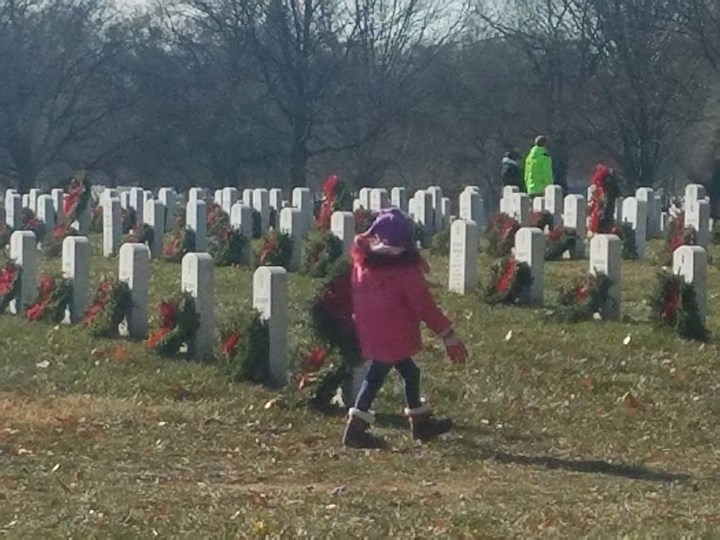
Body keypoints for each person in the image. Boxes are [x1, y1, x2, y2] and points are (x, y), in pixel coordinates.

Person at [343, 208, 468, 449]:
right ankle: (355, 428)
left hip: (371, 331)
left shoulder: (362, 264)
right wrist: (448, 335)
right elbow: (424, 307)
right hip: (395, 334)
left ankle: (420, 423)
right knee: (375, 377)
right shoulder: (404, 271)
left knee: (410, 373)